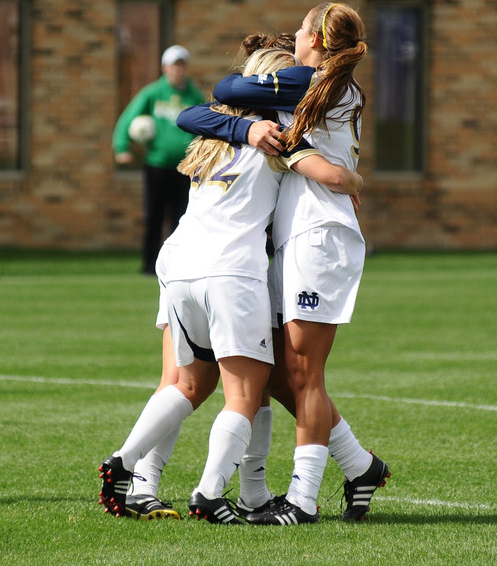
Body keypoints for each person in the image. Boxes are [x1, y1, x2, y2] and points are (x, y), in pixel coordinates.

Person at [99, 43, 363, 524]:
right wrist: (350, 181)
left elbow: (195, 113)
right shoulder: (279, 135)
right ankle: (212, 493)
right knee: (249, 391)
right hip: (231, 268)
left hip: (178, 259)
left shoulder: (212, 127)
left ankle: (138, 478)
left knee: (183, 384)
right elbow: (327, 176)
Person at [177, 3, 390, 524]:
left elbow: (227, 93)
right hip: (294, 237)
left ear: (316, 39)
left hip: (320, 235)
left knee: (303, 372)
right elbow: (208, 108)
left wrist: (342, 177)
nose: (293, 33)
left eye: (300, 28)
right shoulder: (315, 84)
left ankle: (302, 500)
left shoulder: (321, 84)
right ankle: (359, 466)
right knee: (277, 371)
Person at [111, 45, 203, 275]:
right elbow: (128, 119)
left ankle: (176, 265)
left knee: (182, 219)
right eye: (174, 65)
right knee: (154, 216)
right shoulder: (152, 93)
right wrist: (122, 147)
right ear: (165, 68)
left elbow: (206, 126)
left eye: (182, 65)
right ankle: (150, 265)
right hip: (157, 166)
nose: (178, 70)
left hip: (186, 168)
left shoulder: (194, 96)